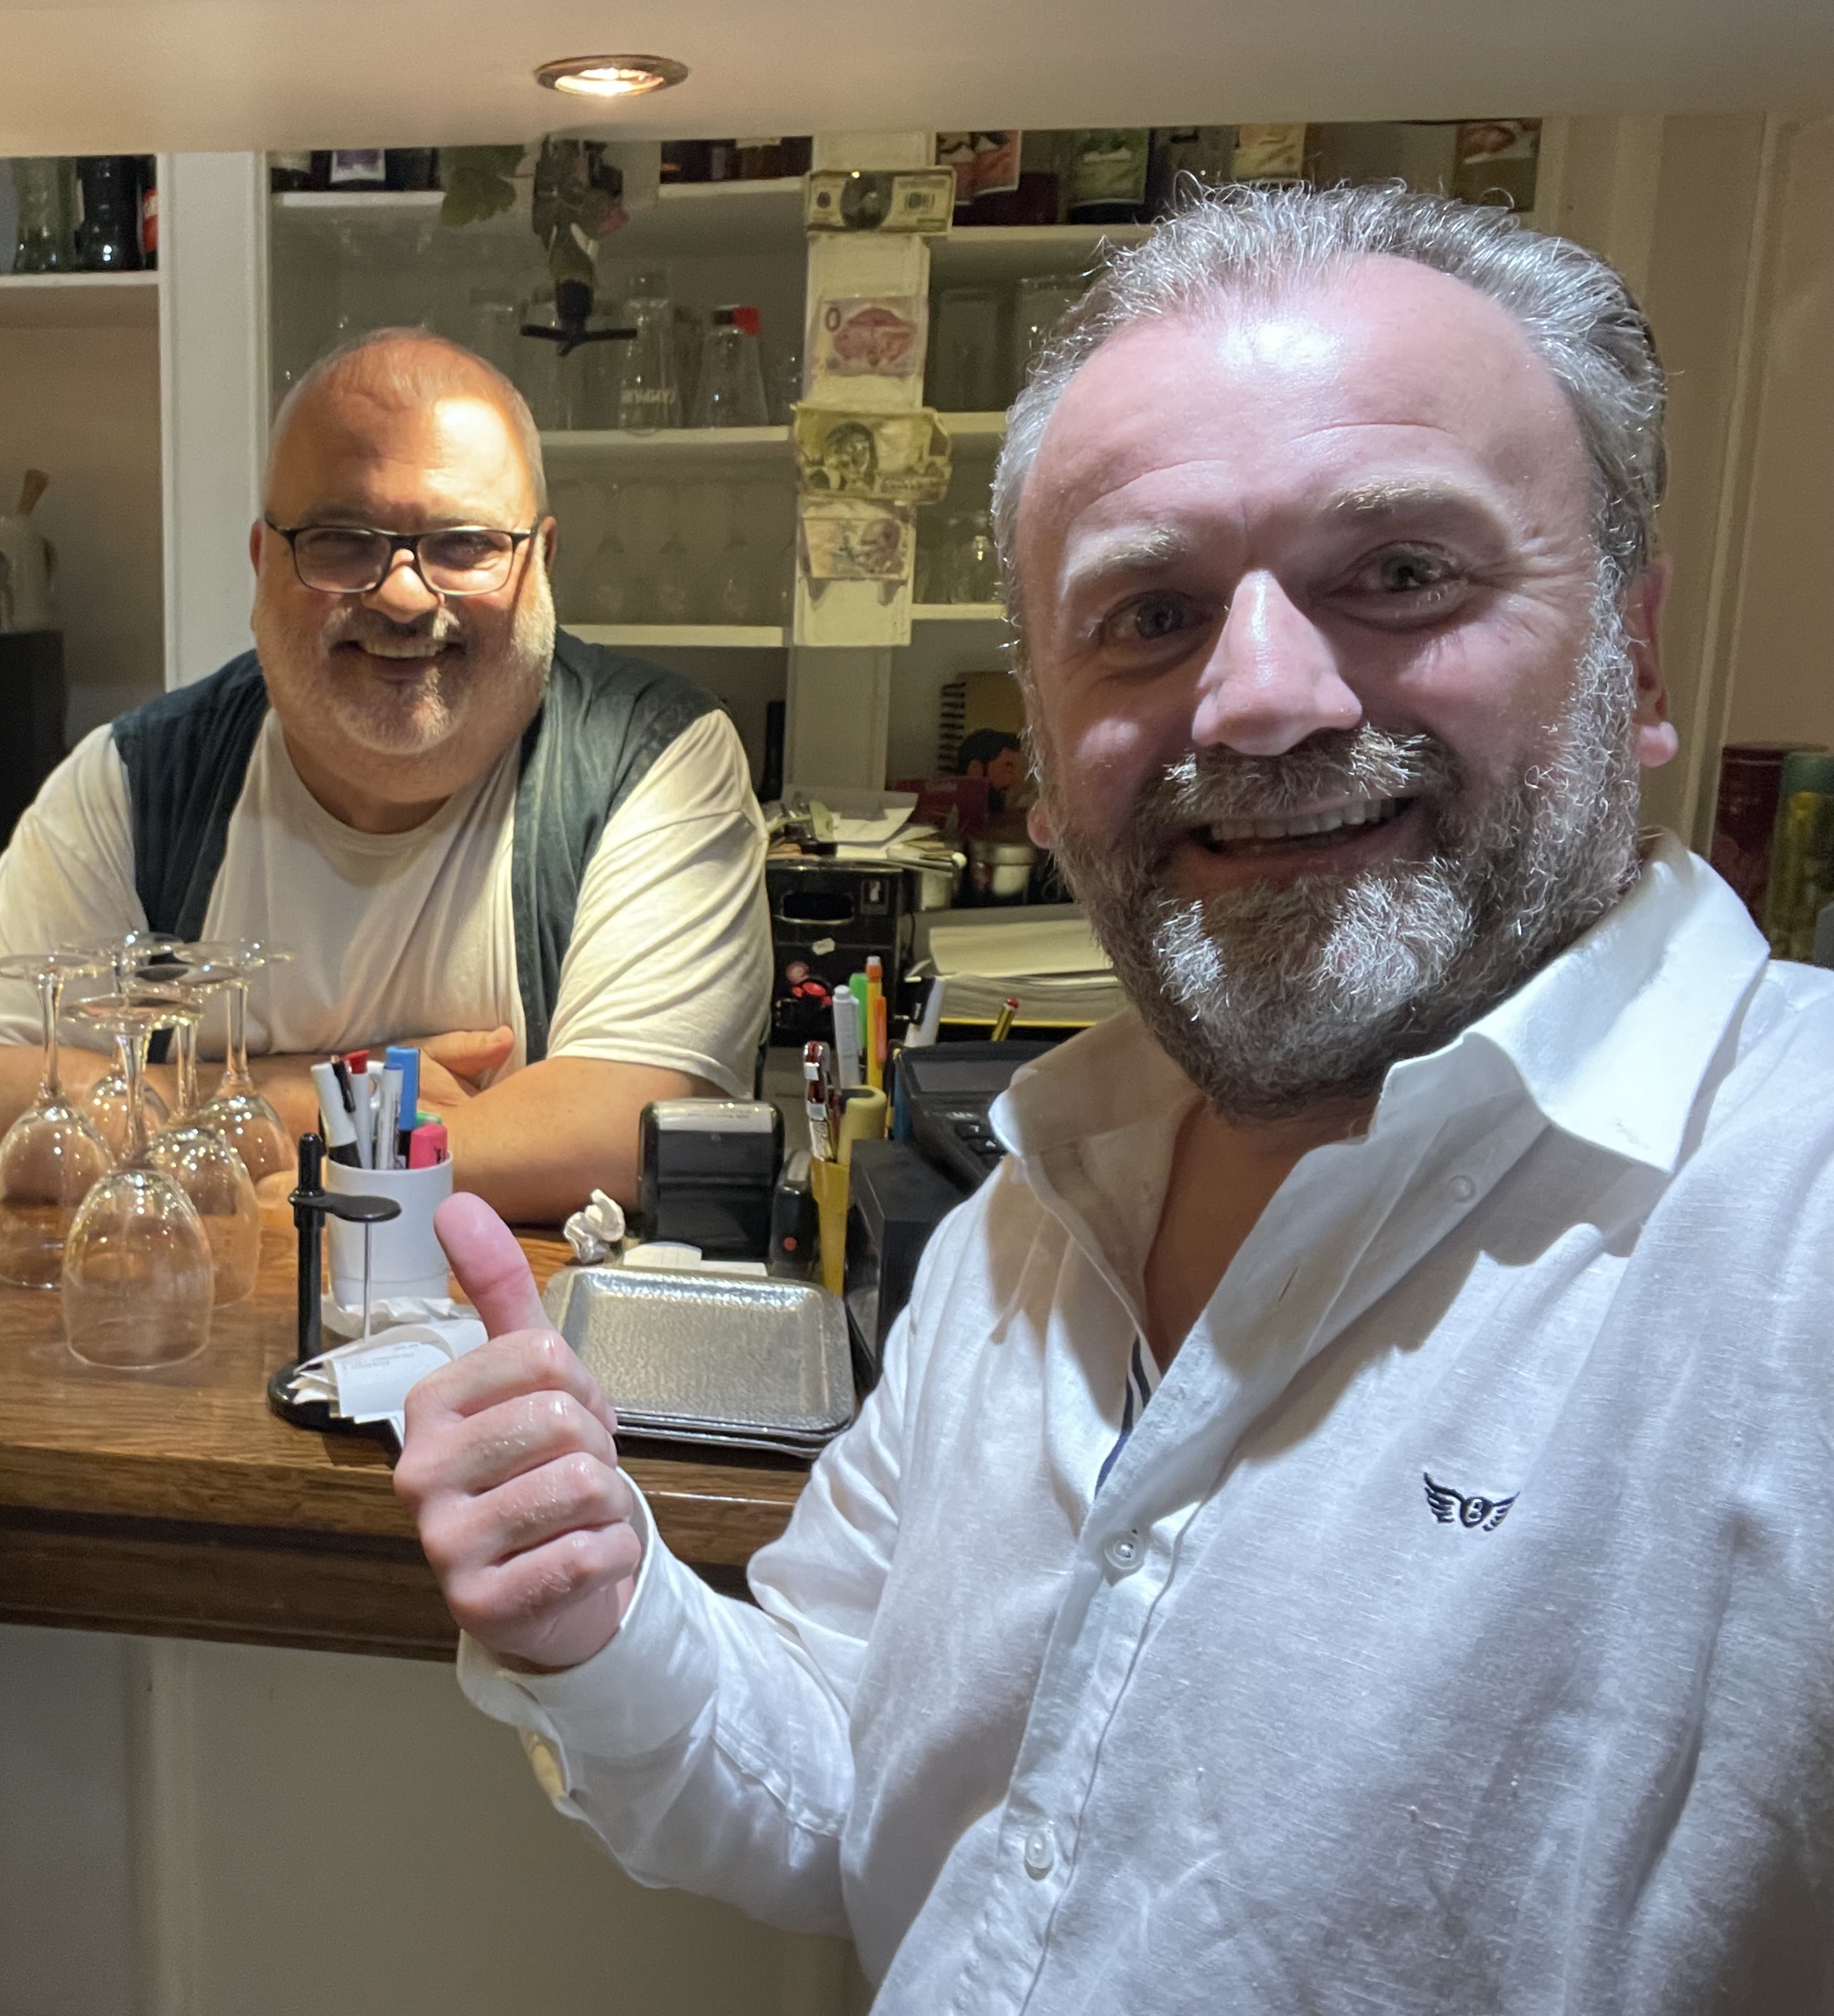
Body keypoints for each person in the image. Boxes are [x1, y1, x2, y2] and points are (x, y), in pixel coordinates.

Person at [395, 184, 1834, 2009]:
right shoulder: (1039, 1201)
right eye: (1150, 614)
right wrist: (606, 1618)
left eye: (1402, 573)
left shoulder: (1791, 1215)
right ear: (1044, 737)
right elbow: (848, 1782)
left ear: (1634, 651)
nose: (1260, 700)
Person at [0, 328, 771, 1223]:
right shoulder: (137, 780)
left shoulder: (654, 761)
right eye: (341, 541)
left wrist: (198, 1121)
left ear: (542, 561)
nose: (404, 597)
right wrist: (304, 1097)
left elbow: (627, 1128)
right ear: (263, 562)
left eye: (464, 544)